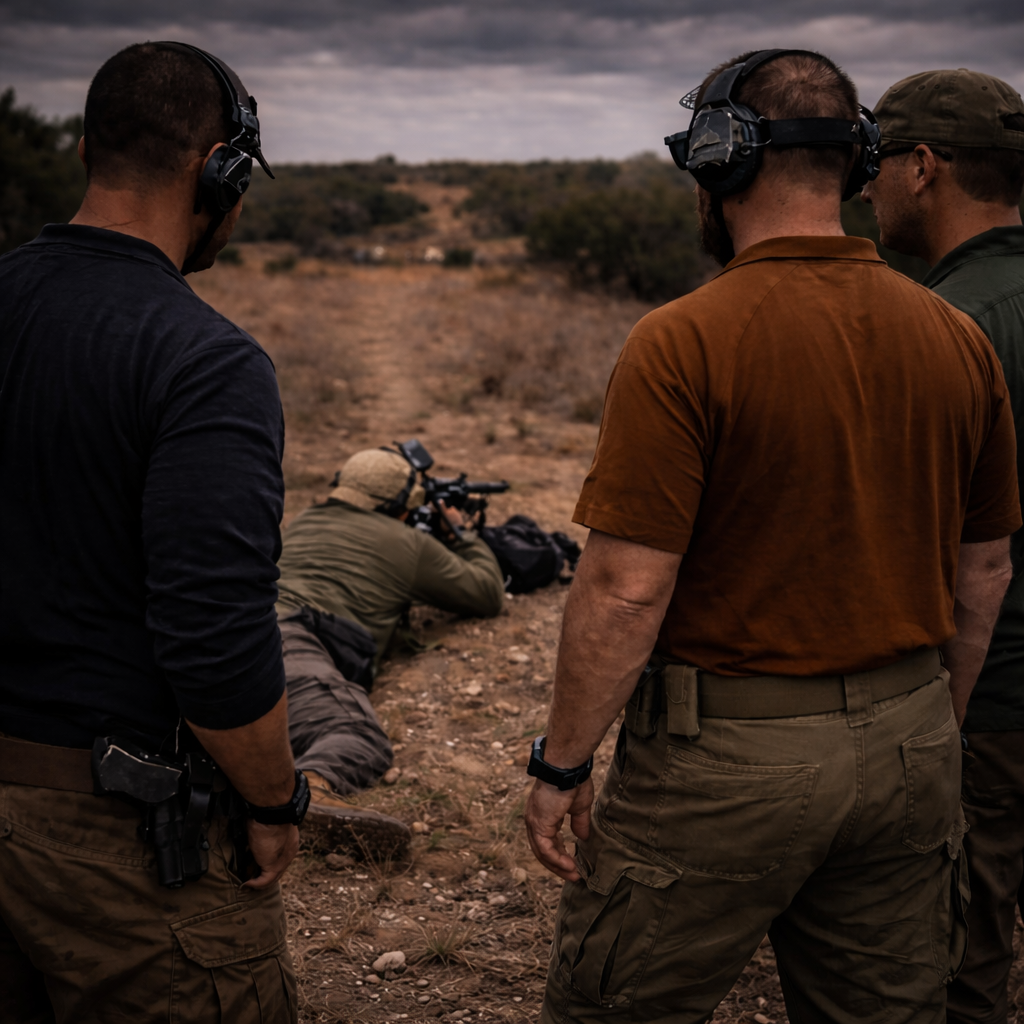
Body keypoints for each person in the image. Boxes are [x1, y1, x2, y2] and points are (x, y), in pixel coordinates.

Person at [523, 49, 1021, 1024]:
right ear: (855, 160)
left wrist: (562, 762)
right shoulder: (952, 334)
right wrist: (931, 724)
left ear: (719, 163)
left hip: (726, 764)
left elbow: (626, 588)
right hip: (909, 741)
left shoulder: (682, 338)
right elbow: (985, 570)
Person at [0, 43, 304, 1020]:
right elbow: (214, 638)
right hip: (109, 841)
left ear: (87, 149)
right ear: (216, 169)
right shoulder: (204, 361)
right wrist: (271, 801)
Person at [862, 68, 1024, 1024]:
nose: (866, 188)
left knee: (958, 953)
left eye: (876, 164)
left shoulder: (943, 328)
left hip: (986, 690)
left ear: (923, 166)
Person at [275, 448, 505, 841]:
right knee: (356, 735)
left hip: (246, 628)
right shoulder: (409, 544)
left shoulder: (305, 519)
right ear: (402, 506)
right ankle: (311, 792)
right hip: (290, 639)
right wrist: (461, 533)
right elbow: (486, 592)